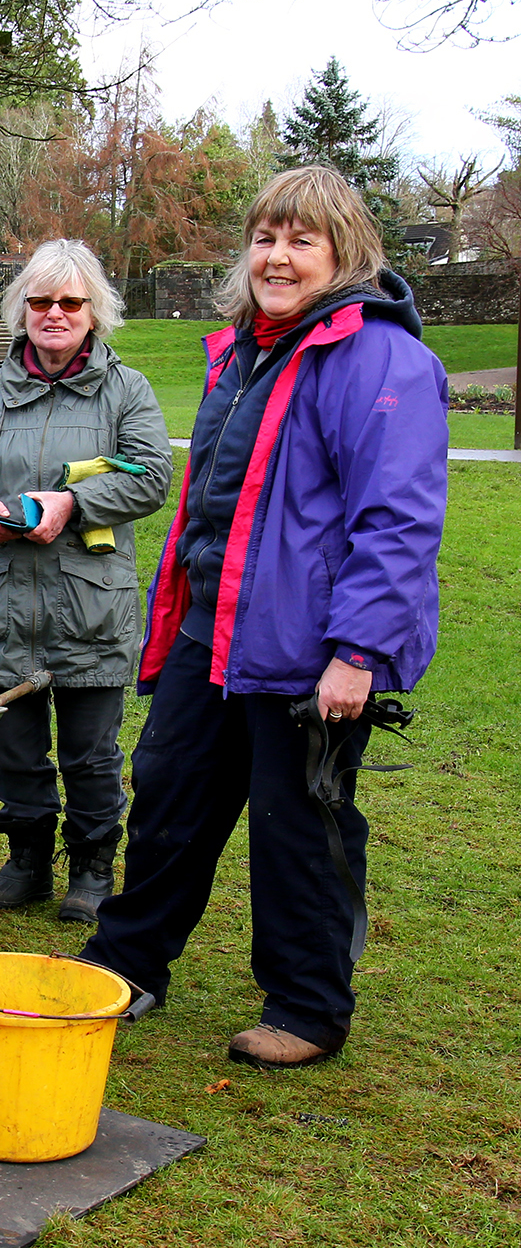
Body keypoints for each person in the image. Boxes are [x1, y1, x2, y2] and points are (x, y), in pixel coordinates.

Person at [81, 166, 449, 1070]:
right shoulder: (243, 350)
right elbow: (215, 505)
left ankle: (308, 1005)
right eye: (264, 238)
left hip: (308, 646)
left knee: (299, 827)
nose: (276, 257)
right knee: (167, 800)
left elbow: (397, 519)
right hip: (215, 627)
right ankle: (126, 963)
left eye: (300, 241)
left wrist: (357, 651)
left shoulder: (377, 358)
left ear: (342, 253)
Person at [0, 240, 171, 921]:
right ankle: (26, 862)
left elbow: (152, 478)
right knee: (15, 750)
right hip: (0, 603)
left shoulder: (126, 391)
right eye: (40, 301)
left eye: (69, 301)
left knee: (90, 753)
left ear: (93, 311)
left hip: (87, 607)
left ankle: (92, 869)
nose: (54, 313)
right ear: (21, 309)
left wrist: (73, 505)